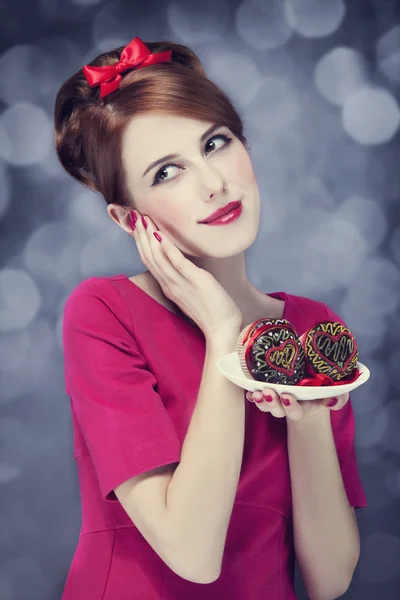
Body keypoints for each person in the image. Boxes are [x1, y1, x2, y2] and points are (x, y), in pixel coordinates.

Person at [55, 37, 367, 600]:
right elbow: (193, 554)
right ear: (130, 220)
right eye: (166, 173)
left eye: (215, 143)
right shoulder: (103, 314)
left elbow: (330, 579)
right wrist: (224, 333)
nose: (213, 183)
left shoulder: (308, 327)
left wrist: (307, 417)